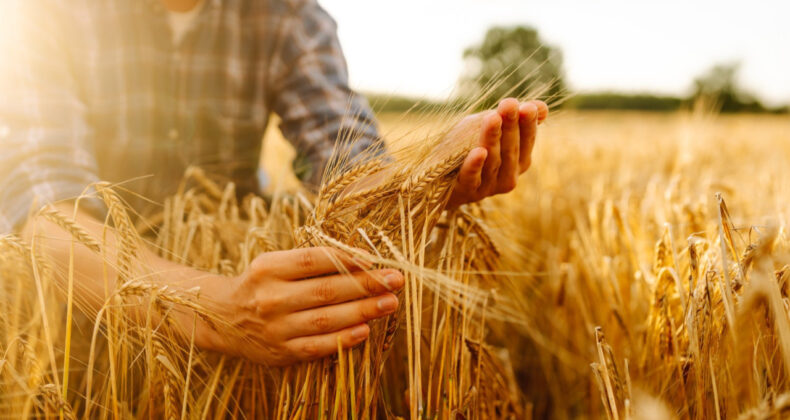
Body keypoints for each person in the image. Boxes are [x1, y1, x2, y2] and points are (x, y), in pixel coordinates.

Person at [0, 0, 549, 366]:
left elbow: (345, 166)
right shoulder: (45, 14)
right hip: (75, 315)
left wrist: (431, 175)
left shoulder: (287, 14)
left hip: (225, 267)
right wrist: (216, 311)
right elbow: (45, 214)